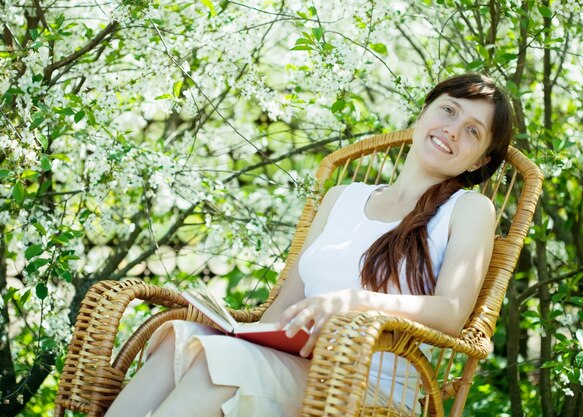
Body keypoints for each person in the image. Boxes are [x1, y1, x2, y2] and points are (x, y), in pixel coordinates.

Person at [104, 73, 513, 417]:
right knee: (182, 334)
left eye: (473, 132)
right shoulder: (343, 198)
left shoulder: (468, 209)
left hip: (364, 384)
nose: (452, 130)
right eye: (448, 110)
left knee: (219, 363)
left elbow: (451, 314)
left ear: (479, 161)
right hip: (295, 357)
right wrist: (245, 332)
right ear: (423, 113)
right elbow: (286, 305)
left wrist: (350, 301)